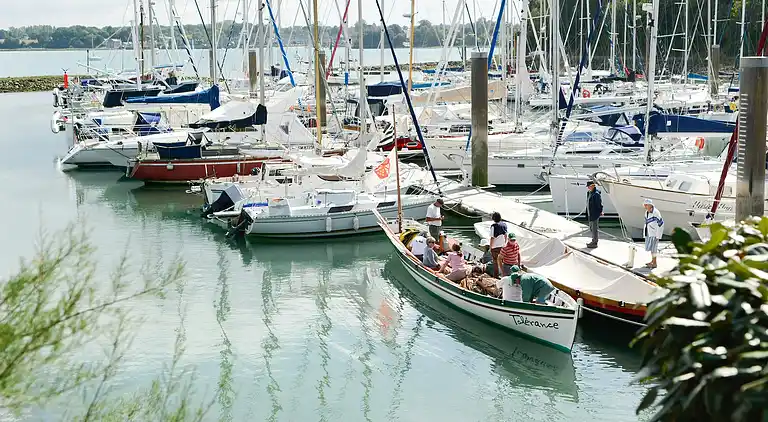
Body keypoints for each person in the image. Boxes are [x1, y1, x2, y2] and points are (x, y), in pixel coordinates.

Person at [642, 199, 664, 269]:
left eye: (646, 205)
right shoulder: (646, 212)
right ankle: (652, 261)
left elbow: (661, 224)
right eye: (644, 205)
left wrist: (658, 235)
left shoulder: (656, 212)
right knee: (652, 248)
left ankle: (654, 263)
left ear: (650, 205)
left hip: (655, 233)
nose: (645, 206)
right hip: (649, 232)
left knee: (654, 249)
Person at [585, 181, 603, 248]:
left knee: (594, 228)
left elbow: (599, 204)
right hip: (590, 213)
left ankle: (594, 242)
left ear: (593, 186)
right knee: (591, 228)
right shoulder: (589, 193)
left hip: (594, 214)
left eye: (589, 186)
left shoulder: (596, 194)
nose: (588, 188)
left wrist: (600, 211)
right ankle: (593, 241)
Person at [489, 212, 508, 276]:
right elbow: (505, 235)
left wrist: (490, 247)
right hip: (502, 246)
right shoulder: (504, 225)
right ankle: (502, 274)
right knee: (502, 261)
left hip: (495, 247)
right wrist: (505, 243)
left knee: (495, 261)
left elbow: (492, 238)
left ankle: (496, 275)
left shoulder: (493, 226)